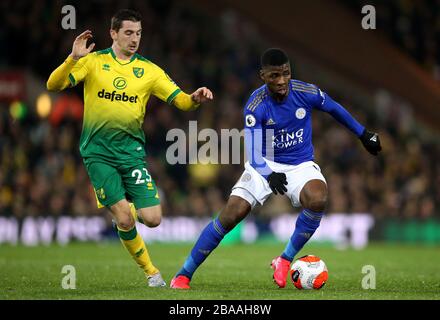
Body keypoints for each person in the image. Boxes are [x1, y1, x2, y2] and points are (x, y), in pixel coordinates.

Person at [170, 48, 381, 289]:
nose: (281, 81)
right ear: (263, 75)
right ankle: (183, 274)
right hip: (264, 162)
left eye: (285, 74)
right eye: (274, 76)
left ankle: (284, 260)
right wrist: (268, 174)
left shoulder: (305, 92)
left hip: (300, 164)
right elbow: (253, 150)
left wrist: (363, 134)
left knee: (318, 198)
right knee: (232, 214)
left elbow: (334, 108)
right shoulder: (256, 104)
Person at [47, 9, 213, 287]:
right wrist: (73, 58)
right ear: (113, 33)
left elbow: (182, 101)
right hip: (98, 153)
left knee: (153, 218)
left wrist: (195, 97)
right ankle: (152, 273)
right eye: (128, 33)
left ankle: (119, 214)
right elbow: (54, 85)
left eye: (138, 33)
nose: (134, 38)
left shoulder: (149, 70)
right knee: (125, 218)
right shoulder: (93, 62)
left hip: (132, 154)